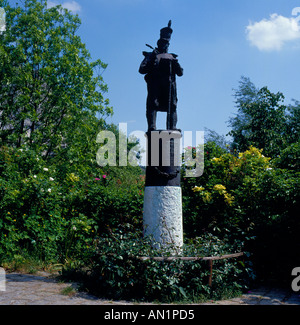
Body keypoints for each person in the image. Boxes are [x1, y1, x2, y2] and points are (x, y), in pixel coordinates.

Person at [139, 21, 183, 131]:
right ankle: (152, 127)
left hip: (169, 87)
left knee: (172, 106)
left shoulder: (172, 57)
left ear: (168, 45)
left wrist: (175, 63)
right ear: (158, 44)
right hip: (155, 85)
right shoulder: (151, 55)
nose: (164, 45)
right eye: (162, 43)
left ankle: (172, 127)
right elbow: (142, 69)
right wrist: (152, 59)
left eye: (166, 43)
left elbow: (180, 72)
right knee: (153, 105)